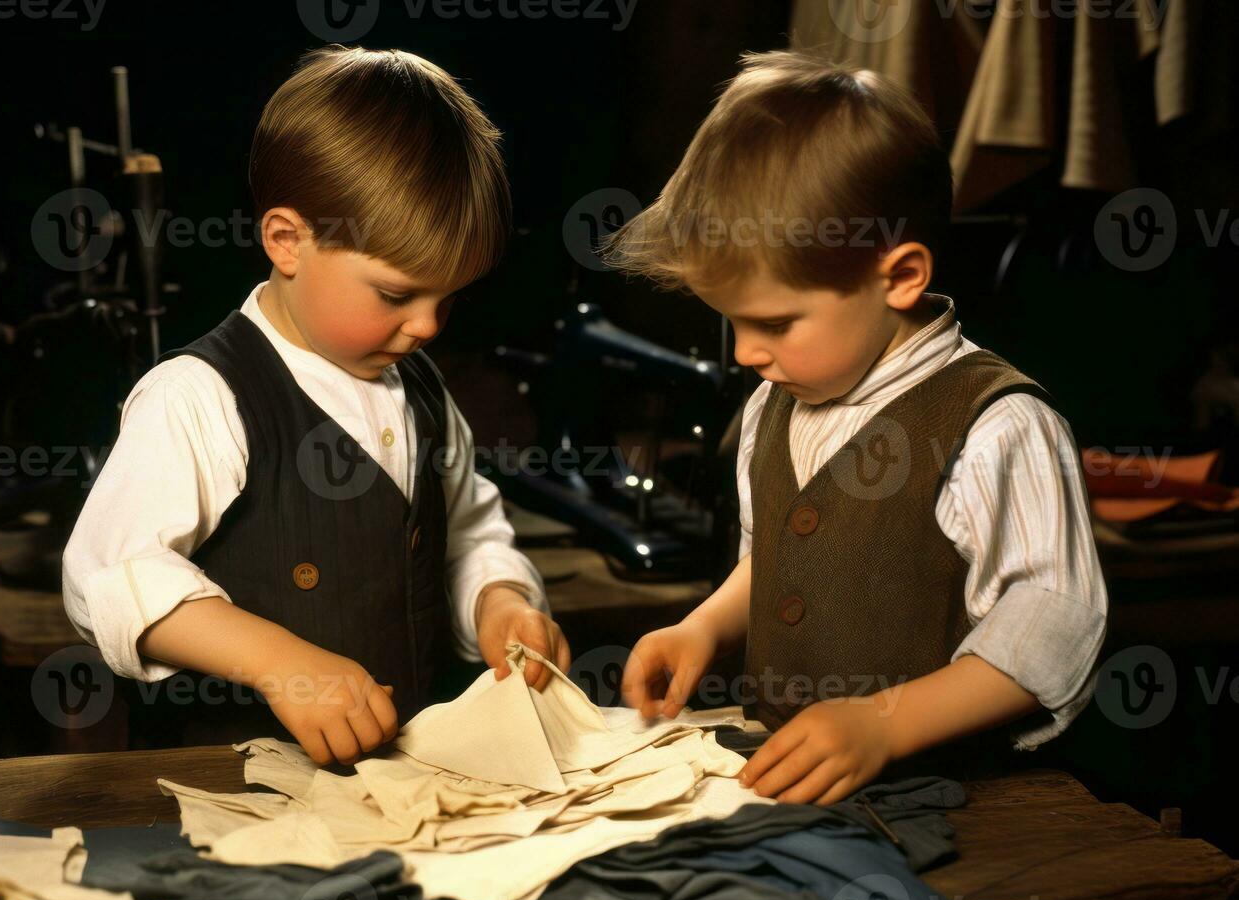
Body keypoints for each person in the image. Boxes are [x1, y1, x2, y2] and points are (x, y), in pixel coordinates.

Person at [608, 51, 1107, 804]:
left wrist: (883, 722)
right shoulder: (776, 402)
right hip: (782, 787)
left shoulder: (996, 427)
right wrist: (703, 629)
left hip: (951, 804)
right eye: (731, 324)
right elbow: (778, 556)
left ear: (899, 276)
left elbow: (1053, 626)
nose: (745, 352)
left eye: (773, 322)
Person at [63, 46, 569, 765]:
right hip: (237, 785)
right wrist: (278, 661)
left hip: (403, 779)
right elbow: (105, 578)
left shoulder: (419, 385)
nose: (426, 326)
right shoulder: (199, 396)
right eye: (396, 295)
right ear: (286, 241)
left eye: (447, 299)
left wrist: (501, 603)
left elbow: (467, 531)